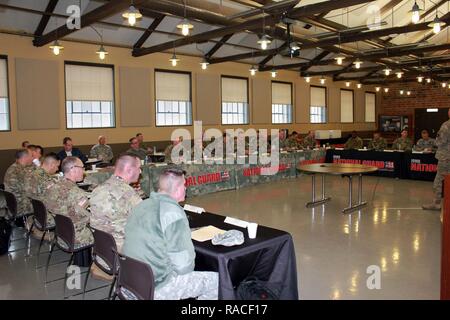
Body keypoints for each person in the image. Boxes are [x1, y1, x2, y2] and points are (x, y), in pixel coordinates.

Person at [123, 168, 218, 300]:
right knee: (218, 282)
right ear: (178, 188)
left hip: (129, 281)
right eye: (184, 185)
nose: (186, 188)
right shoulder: (173, 213)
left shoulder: (140, 205)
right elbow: (184, 266)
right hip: (155, 288)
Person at [89, 154, 143, 252]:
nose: (140, 171)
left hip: (101, 250)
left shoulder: (98, 189)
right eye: (139, 168)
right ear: (130, 170)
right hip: (122, 251)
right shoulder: (129, 194)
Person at [43, 157, 92, 246]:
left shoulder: (53, 186)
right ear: (73, 169)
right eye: (82, 168)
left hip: (61, 234)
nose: (84, 171)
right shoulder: (78, 194)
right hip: (77, 236)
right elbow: (89, 218)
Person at [423, 109, 450, 211]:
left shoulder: (446, 125)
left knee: (438, 181)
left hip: (446, 158)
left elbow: (440, 142)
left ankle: (436, 203)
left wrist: (435, 141)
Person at [3, 149, 34, 217]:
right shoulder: (20, 172)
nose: (33, 158)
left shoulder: (14, 167)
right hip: (21, 206)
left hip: (12, 205)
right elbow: (32, 191)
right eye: (31, 156)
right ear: (25, 157)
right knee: (47, 204)